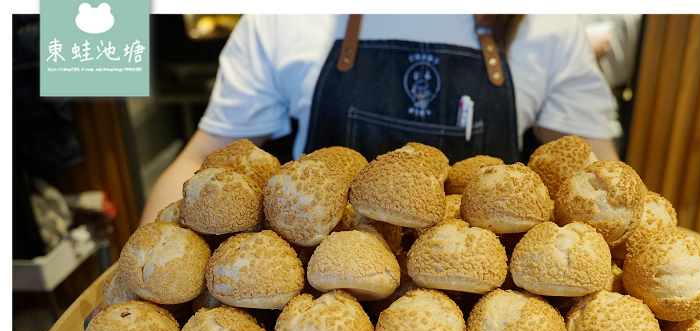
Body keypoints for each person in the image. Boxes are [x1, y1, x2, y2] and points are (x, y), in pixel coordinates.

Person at [140, 14, 620, 224]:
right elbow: (202, 160)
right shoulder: (282, 19)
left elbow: (603, 183)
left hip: (495, 300)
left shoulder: (549, 23)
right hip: (311, 304)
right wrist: (138, 272)